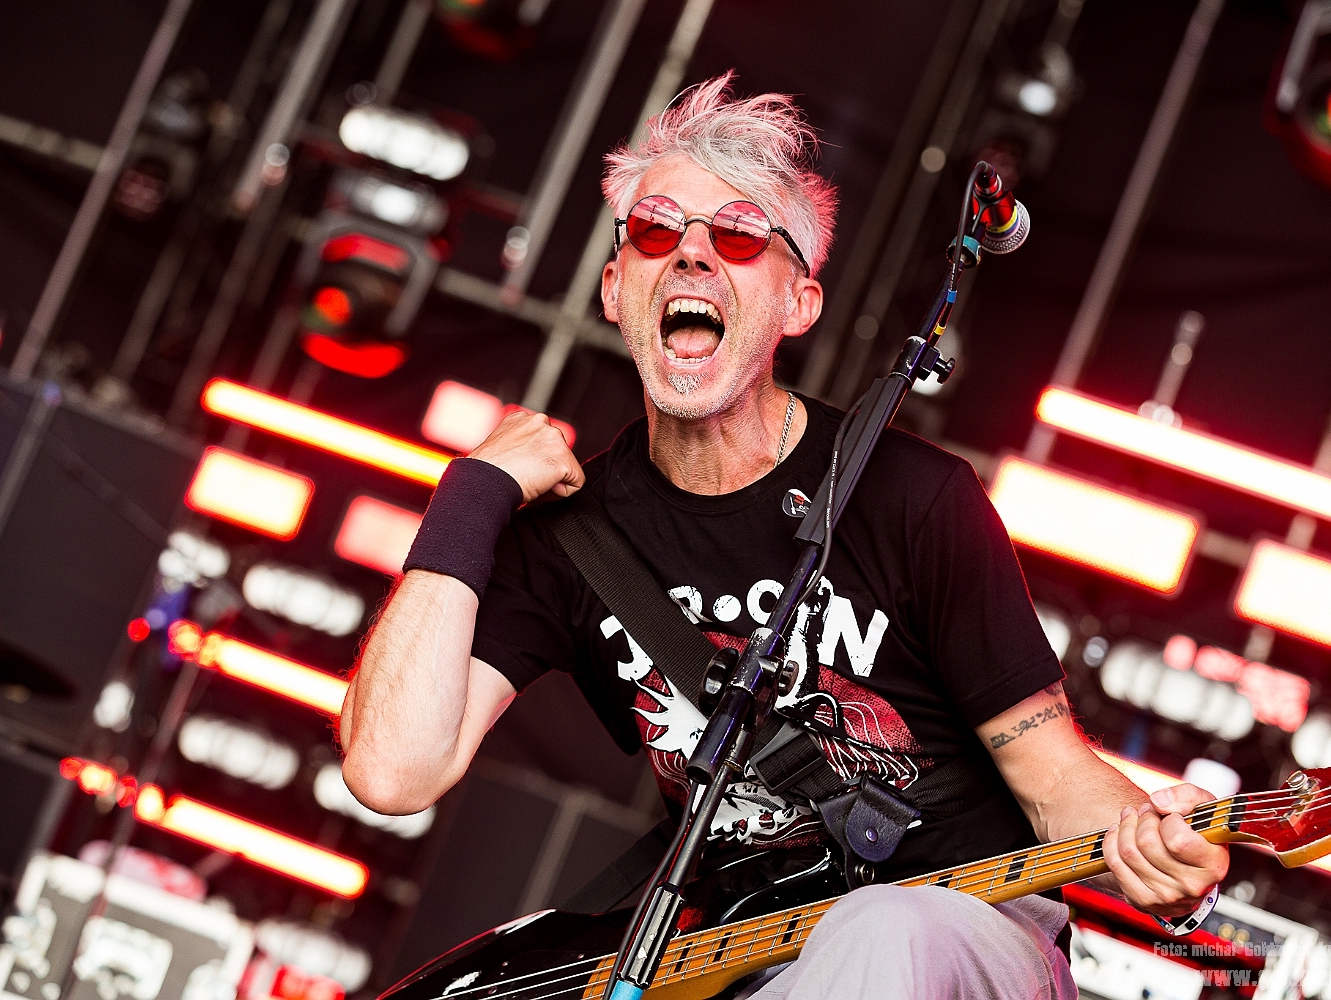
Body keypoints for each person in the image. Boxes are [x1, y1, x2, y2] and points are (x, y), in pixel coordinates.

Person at [338, 74, 1228, 1000]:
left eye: (738, 235)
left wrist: (1159, 849)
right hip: (746, 963)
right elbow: (390, 773)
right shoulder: (576, 538)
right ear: (614, 287)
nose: (691, 254)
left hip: (963, 935)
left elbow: (1051, 777)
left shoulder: (913, 499)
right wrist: (471, 495)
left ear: (799, 304)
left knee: (885, 928)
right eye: (656, 230)